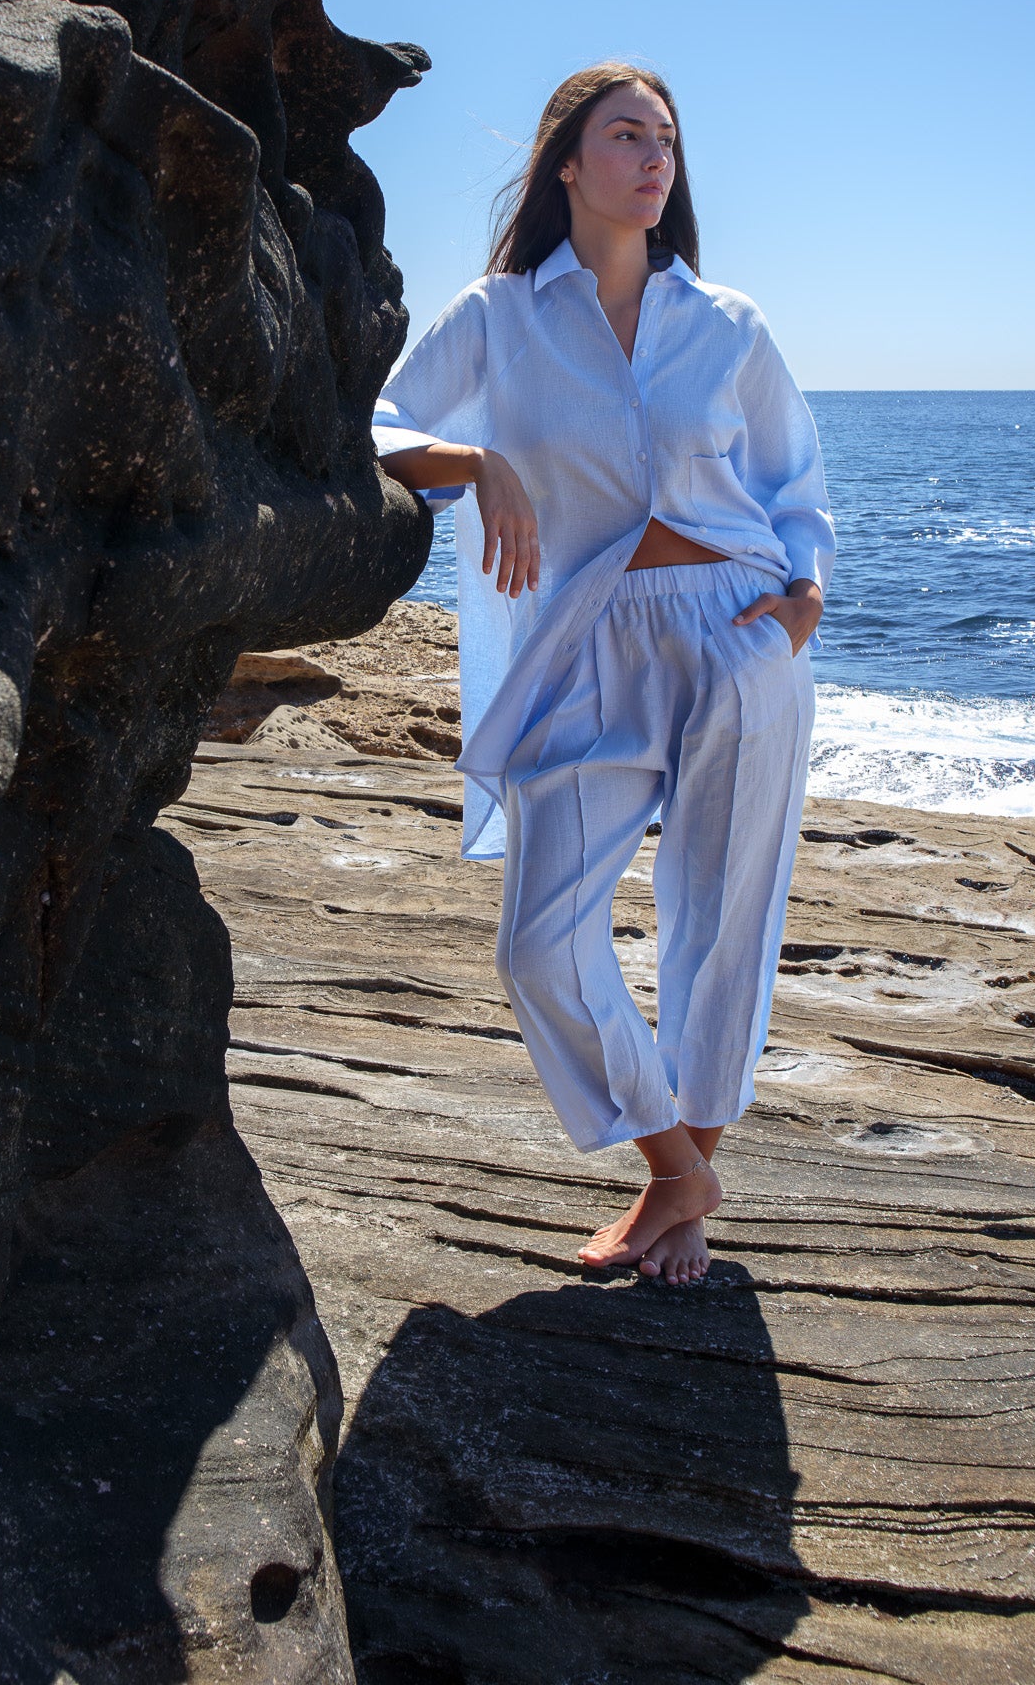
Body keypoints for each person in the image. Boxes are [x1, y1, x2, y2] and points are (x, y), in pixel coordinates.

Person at [374, 62, 834, 1285]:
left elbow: (797, 485)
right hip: (586, 642)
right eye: (626, 135)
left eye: (668, 141)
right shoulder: (500, 314)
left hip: (738, 632)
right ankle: (675, 1160)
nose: (653, 158)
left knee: (724, 923)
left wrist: (801, 607)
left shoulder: (728, 324)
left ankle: (681, 1193)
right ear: (567, 164)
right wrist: (474, 460)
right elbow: (370, 421)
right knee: (538, 943)